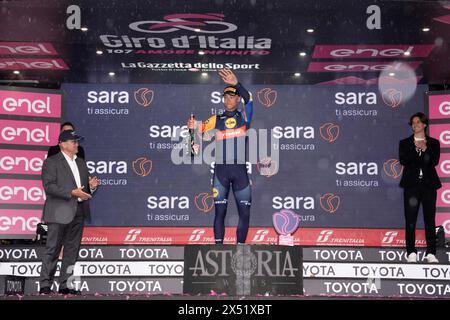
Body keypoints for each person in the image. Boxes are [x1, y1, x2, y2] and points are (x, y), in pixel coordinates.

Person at [187, 68, 253, 244]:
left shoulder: (245, 117)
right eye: (225, 97)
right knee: (219, 213)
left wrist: (236, 84)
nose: (228, 99)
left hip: (240, 171)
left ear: (238, 99)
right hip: (221, 172)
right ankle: (218, 249)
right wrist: (191, 128)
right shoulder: (216, 119)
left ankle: (241, 249)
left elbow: (250, 99)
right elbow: (196, 134)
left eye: (232, 96)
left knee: (245, 213)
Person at [38, 130, 99, 294]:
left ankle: (66, 285)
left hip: (78, 210)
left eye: (77, 142)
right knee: (53, 248)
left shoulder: (80, 162)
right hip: (59, 211)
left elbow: (83, 189)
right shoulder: (51, 162)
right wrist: (72, 192)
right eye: (74, 142)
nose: (77, 144)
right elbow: (49, 186)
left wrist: (91, 187)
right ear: (63, 144)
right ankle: (45, 284)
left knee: (72, 250)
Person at [399, 112, 441, 263]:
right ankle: (411, 252)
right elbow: (404, 160)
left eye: (418, 122)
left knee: (430, 220)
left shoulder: (434, 143)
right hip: (411, 186)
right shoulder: (404, 143)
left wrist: (425, 149)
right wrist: (417, 150)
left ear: (425, 125)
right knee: (410, 220)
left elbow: (434, 162)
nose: (415, 125)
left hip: (429, 186)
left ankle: (431, 253)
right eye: (413, 123)